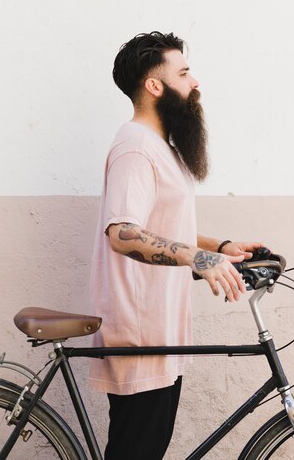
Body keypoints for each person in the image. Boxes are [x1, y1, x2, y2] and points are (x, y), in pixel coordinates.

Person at [90, 31, 263, 460]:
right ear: (155, 86)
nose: (195, 82)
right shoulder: (135, 147)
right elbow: (122, 232)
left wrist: (220, 247)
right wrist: (198, 258)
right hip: (140, 333)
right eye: (183, 73)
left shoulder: (158, 147)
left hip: (160, 329)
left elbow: (161, 224)